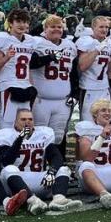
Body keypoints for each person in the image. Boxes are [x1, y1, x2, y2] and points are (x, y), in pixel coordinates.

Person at [0, 109, 81, 214]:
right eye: (23, 119)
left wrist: (51, 172)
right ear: (15, 122)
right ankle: (32, 201)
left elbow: (56, 157)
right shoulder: (6, 135)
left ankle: (58, 200)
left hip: (40, 181)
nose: (27, 122)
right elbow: (6, 161)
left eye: (30, 119)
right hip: (15, 185)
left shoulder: (43, 133)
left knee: (63, 169)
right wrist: (20, 138)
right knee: (9, 169)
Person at [29, 14, 79, 147]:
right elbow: (31, 64)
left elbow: (74, 73)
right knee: (39, 136)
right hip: (41, 99)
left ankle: (57, 166)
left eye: (59, 27)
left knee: (58, 137)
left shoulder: (69, 45)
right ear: (44, 29)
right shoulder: (36, 43)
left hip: (63, 100)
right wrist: (49, 57)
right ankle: (38, 164)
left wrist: (75, 93)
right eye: (52, 27)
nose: (57, 29)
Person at [0, 9, 41, 129]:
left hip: (26, 88)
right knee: (7, 126)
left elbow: (27, 67)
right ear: (10, 23)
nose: (23, 25)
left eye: (25, 22)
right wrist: (6, 57)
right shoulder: (2, 39)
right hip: (8, 88)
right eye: (19, 21)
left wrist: (32, 86)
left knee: (26, 127)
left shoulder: (30, 41)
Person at [75, 16, 111, 122]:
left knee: (105, 122)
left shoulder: (110, 43)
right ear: (93, 27)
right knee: (88, 123)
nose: (104, 30)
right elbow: (82, 66)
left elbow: (110, 71)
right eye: (101, 27)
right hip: (88, 88)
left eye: (107, 27)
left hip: (104, 88)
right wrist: (97, 50)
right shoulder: (85, 41)